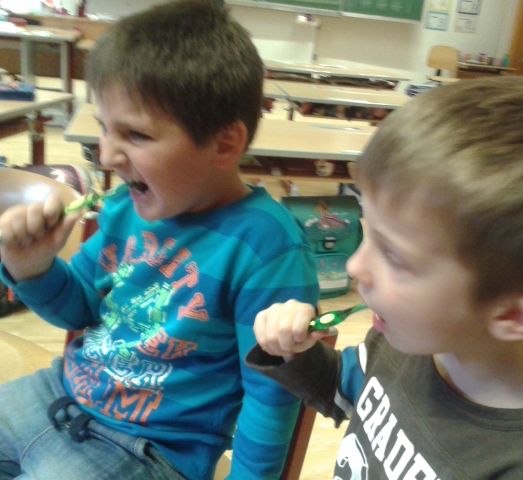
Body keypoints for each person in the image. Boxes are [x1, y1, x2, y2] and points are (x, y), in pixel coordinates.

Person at [248, 74, 523, 479]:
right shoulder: (414, 337)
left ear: (511, 316)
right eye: (369, 231)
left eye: (394, 256)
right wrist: (296, 353)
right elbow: (349, 391)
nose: (355, 267)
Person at [0, 1, 319, 479]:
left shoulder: (266, 247)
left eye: (135, 135)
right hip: (57, 397)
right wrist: (34, 269)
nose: (107, 156)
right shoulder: (124, 209)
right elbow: (79, 309)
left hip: (144, 451)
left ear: (223, 144)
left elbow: (270, 396)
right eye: (104, 128)